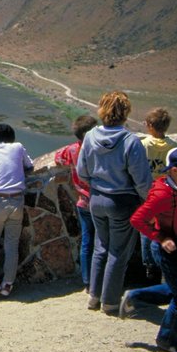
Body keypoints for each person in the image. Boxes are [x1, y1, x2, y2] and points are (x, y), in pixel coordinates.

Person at [77, 90, 152, 315]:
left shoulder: (90, 137)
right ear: (125, 113)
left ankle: (94, 297)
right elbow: (141, 179)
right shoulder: (130, 141)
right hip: (122, 201)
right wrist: (147, 200)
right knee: (118, 252)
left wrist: (96, 184)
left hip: (96, 199)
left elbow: (82, 171)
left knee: (101, 247)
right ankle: (110, 302)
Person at [124, 146, 177, 352]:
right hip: (166, 252)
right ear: (173, 170)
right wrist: (162, 238)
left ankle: (136, 296)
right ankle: (169, 341)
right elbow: (137, 220)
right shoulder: (161, 195)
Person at [0, 124, 34, 298]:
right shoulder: (18, 147)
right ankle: (8, 284)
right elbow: (30, 165)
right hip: (17, 199)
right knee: (12, 243)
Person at [54, 114, 99, 291]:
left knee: (87, 242)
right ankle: (101, 280)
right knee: (103, 242)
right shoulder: (100, 149)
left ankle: (87, 281)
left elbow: (58, 158)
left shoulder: (72, 150)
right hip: (102, 201)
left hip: (83, 202)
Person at [138, 108, 177, 281]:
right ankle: (164, 267)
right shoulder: (174, 148)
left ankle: (149, 267)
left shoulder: (143, 145)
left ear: (150, 126)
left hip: (148, 194)